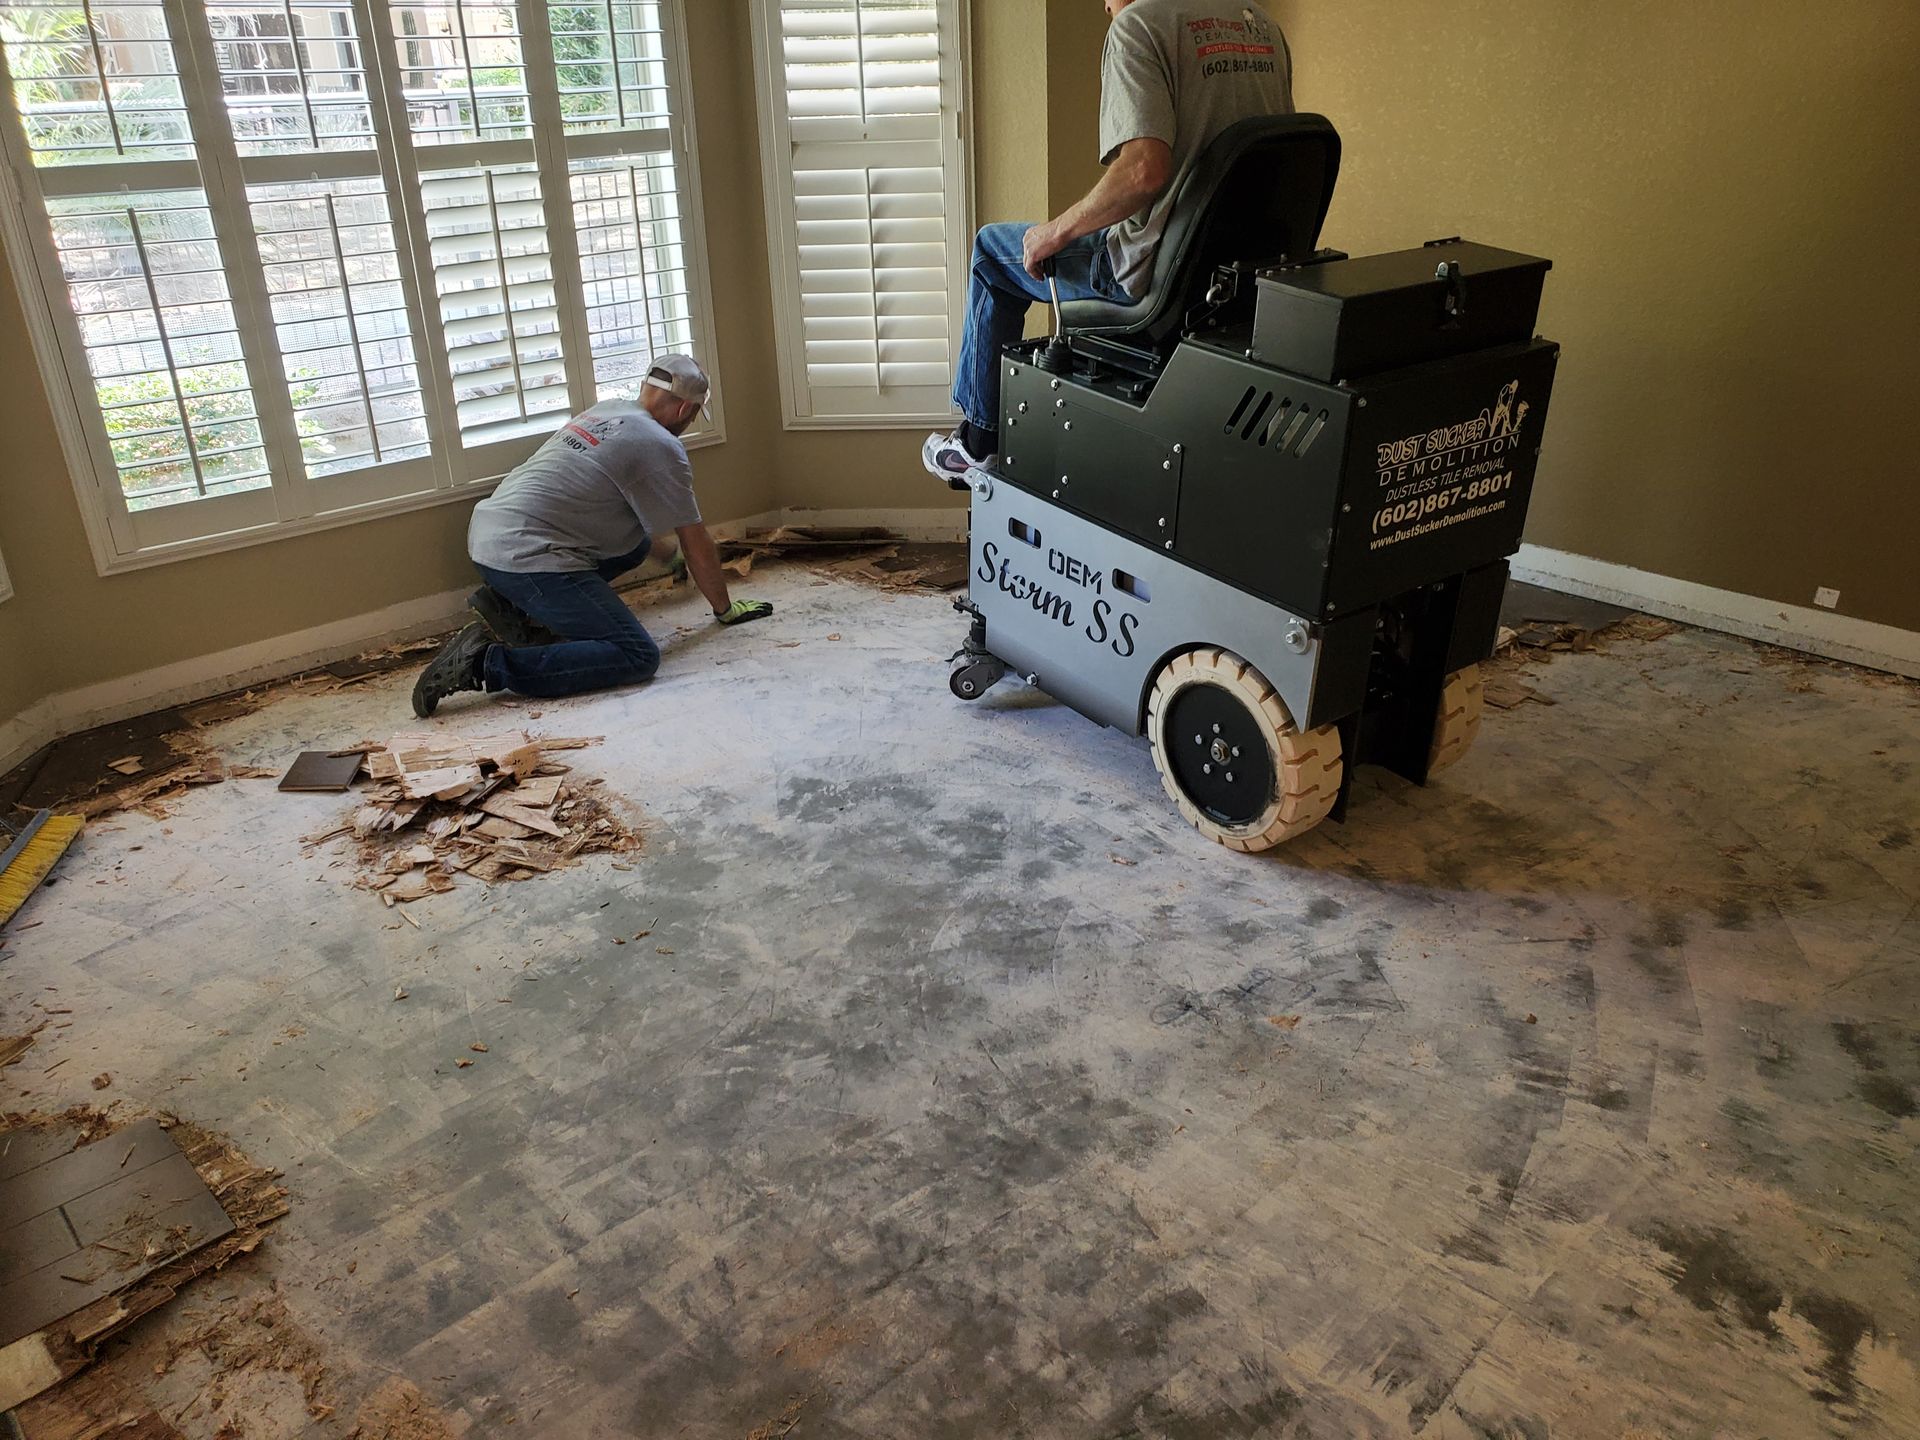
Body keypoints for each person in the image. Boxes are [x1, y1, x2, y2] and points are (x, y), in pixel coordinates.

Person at [923, 0, 1294, 479]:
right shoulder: (1262, 26)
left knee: (992, 253)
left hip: (1156, 276)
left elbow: (1143, 171)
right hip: (1240, 282)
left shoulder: (1140, 25)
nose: (1105, 5)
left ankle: (979, 441)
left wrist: (1052, 233)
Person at [412, 355, 773, 718]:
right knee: (636, 655)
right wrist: (724, 609)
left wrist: (668, 557)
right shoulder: (661, 446)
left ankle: (512, 605)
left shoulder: (608, 411)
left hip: (490, 541)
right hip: (527, 559)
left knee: (634, 546)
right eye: (694, 415)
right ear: (683, 408)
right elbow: (695, 538)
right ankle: (483, 663)